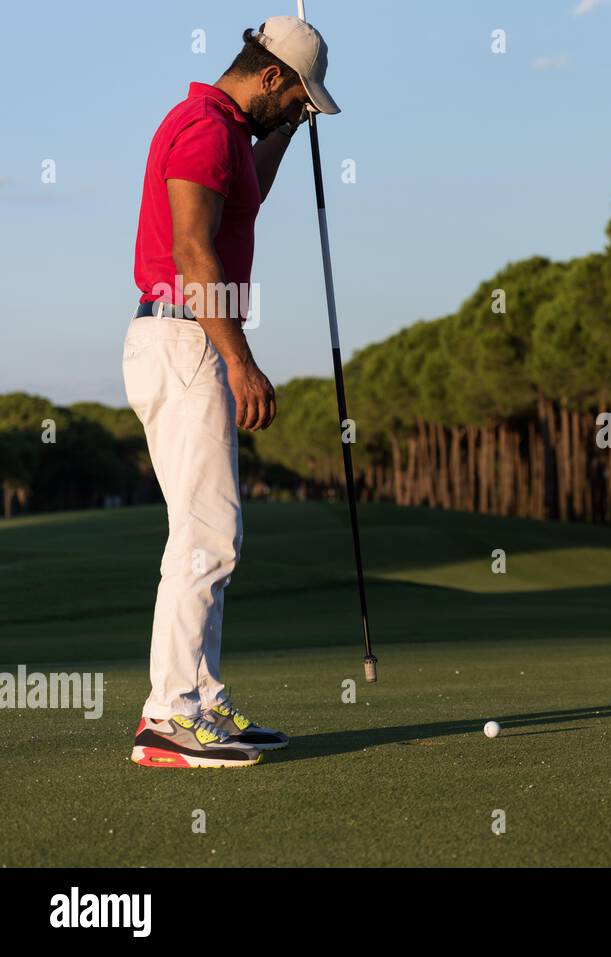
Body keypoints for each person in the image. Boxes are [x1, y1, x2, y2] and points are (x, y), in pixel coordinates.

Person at [124, 18, 339, 768]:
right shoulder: (204, 127)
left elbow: (246, 192)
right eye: (297, 97)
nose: (294, 109)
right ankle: (169, 717)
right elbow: (191, 249)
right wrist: (240, 361)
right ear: (272, 74)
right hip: (187, 335)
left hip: (182, 336)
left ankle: (201, 701)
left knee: (207, 529)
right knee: (207, 536)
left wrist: (289, 132)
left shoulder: (221, 131)